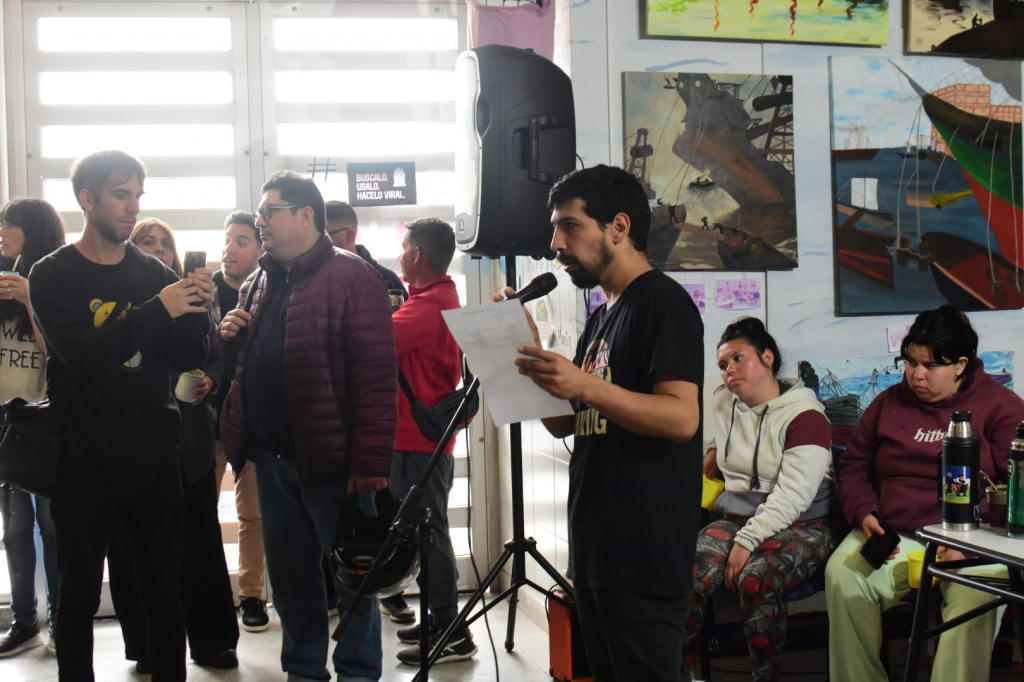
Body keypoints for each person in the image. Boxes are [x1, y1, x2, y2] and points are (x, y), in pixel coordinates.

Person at [506, 164, 703, 681]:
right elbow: (566, 424)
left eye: (570, 226)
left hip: (643, 556)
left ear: (619, 227)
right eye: (555, 229)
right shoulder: (601, 315)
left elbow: (682, 417)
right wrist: (526, 351)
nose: (556, 244)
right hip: (597, 550)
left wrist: (583, 385)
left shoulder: (662, 302)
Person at [28, 149, 214, 682]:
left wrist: (196, 311)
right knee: (78, 597)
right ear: (87, 199)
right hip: (83, 463)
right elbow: (81, 355)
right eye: (120, 194)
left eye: (138, 196)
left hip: (154, 457)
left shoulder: (153, 271)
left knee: (163, 594)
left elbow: (185, 356)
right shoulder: (52, 274)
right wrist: (160, 309)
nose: (133, 207)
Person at [217, 170, 398, 682]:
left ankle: (358, 673)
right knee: (291, 579)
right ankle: (303, 671)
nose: (260, 221)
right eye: (260, 212)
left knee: (352, 579)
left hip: (334, 464)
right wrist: (229, 339)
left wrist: (369, 462)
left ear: (305, 216)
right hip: (273, 458)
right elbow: (251, 362)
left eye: (268, 212)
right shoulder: (259, 280)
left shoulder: (352, 277)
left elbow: (376, 376)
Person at [826, 305, 1024, 682]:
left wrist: (972, 543)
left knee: (975, 595)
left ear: (960, 364)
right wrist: (864, 512)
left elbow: (1016, 492)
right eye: (911, 363)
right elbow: (854, 466)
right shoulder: (888, 403)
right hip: (894, 533)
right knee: (843, 574)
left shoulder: (1002, 408)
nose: (916, 375)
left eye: (930, 366)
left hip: (972, 537)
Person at [103, 218, 239, 673]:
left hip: (188, 442)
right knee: (132, 554)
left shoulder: (192, 300)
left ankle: (212, 641)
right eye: (149, 242)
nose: (159, 250)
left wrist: (209, 380)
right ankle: (146, 646)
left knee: (200, 544)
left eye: (166, 243)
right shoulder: (118, 305)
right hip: (129, 444)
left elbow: (216, 356)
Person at [681, 317, 835, 682]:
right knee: (685, 571)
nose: (729, 371)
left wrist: (746, 541)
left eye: (739, 358)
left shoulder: (807, 418)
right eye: (723, 365)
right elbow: (734, 432)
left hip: (803, 523)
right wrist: (714, 449)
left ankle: (765, 677)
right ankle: (683, 673)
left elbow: (793, 496)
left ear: (767, 357)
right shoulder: (723, 401)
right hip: (737, 517)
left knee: (756, 578)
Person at [386, 218, 476, 664]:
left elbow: (376, 341)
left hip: (417, 443)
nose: (399, 256)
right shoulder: (433, 300)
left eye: (404, 247)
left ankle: (450, 631)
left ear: (417, 255)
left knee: (429, 535)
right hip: (421, 441)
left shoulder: (430, 304)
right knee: (426, 532)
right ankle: (440, 619)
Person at [0, 198, 64, 657]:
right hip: (5, 416)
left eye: (9, 225)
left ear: (33, 230)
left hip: (43, 417)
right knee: (15, 528)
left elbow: (58, 353)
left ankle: (63, 618)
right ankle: (25, 621)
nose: (1, 232)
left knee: (53, 524)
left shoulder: (54, 279)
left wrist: (29, 297)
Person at [210, 210, 270, 633]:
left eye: (241, 241)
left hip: (252, 420)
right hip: (207, 418)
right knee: (200, 512)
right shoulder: (203, 290)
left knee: (253, 514)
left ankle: (252, 595)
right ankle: (209, 592)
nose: (229, 249)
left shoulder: (269, 292)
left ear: (261, 250)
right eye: (227, 240)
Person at [325, 200, 406, 300]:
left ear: (349, 236)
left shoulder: (386, 281)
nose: (318, 244)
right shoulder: (313, 280)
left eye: (325, 236)